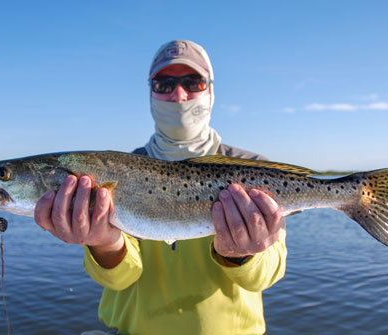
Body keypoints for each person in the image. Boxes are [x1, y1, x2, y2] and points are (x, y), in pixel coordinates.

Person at [34, 40, 287, 335]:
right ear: (150, 94)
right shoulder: (117, 172)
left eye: (193, 82)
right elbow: (120, 280)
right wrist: (104, 243)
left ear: (211, 90)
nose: (179, 95)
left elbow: (266, 275)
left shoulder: (255, 169)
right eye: (164, 85)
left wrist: (240, 254)